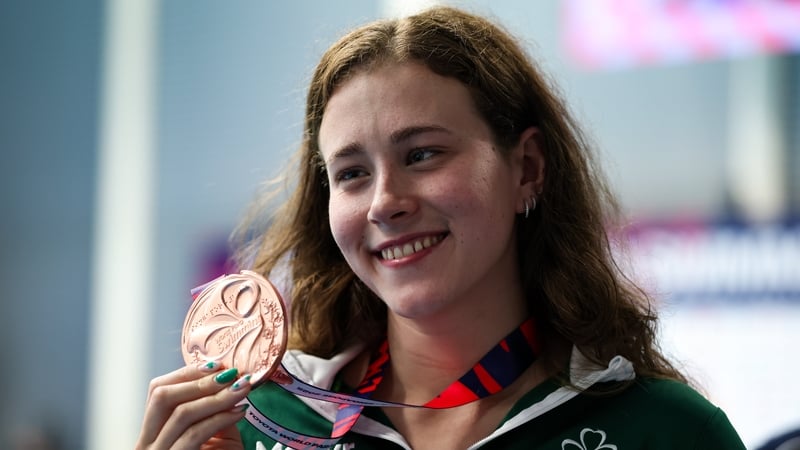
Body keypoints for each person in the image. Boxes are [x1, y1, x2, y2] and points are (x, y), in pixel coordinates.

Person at [136, 6, 746, 450]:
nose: (385, 202)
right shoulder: (262, 424)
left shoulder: (666, 432)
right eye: (350, 174)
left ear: (526, 168)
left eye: (423, 154)